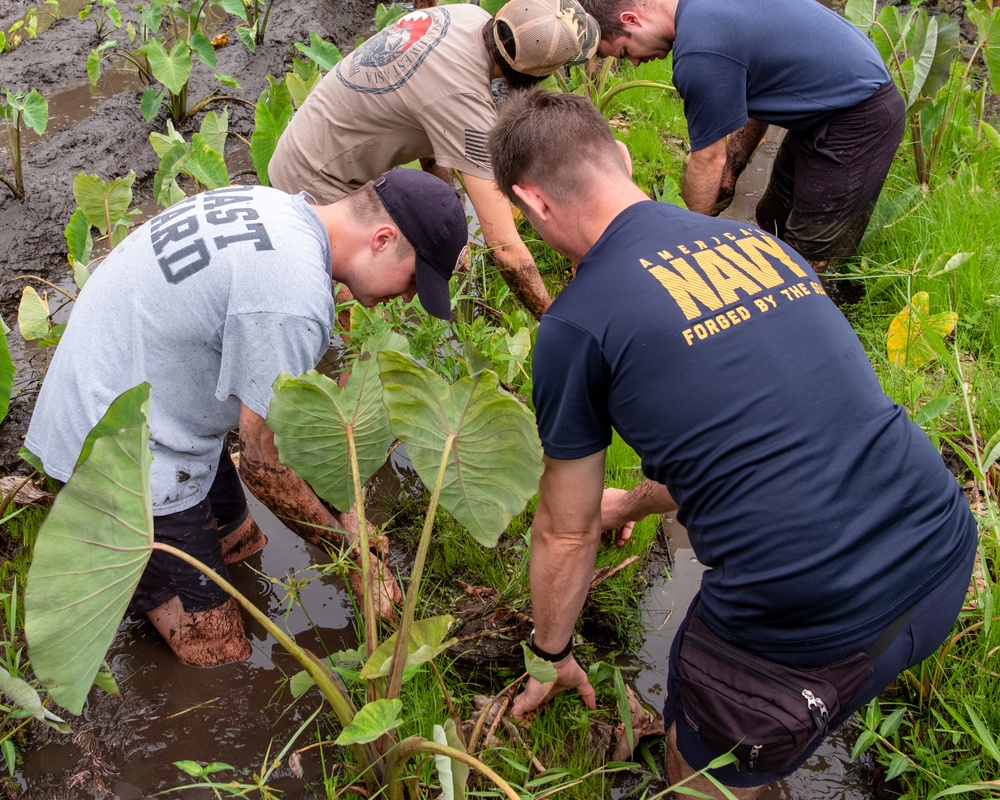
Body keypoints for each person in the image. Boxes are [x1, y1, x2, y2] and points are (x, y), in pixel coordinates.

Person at [488, 88, 977, 797]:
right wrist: (632, 505)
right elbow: (777, 434)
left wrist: (550, 654)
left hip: (801, 619)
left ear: (532, 205)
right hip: (940, 552)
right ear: (622, 158)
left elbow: (563, 535)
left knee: (700, 772)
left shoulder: (577, 323)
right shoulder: (757, 243)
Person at [24, 169, 469, 667]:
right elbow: (264, 466)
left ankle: (160, 571)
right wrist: (355, 556)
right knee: (223, 655)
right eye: (413, 279)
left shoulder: (283, 211)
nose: (408, 298)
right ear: (383, 240)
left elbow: (294, 434)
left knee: (246, 546)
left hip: (158, 404)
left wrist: (350, 523)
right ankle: (127, 572)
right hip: (112, 447)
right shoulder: (293, 301)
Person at [268, 0, 600, 320]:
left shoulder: (468, 17)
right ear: (536, 74)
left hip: (310, 140)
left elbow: (431, 132)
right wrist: (553, 320)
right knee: (349, 291)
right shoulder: (464, 101)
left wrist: (447, 224)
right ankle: (343, 362)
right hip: (316, 180)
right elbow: (504, 246)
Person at [582, 0, 906, 274]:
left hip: (858, 115)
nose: (636, 62)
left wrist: (684, 250)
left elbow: (708, 158)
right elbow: (763, 87)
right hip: (821, 104)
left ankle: (819, 314)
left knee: (806, 256)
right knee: (772, 218)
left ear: (631, 19)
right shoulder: (703, 10)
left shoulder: (699, 53)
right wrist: (733, 173)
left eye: (625, 51)